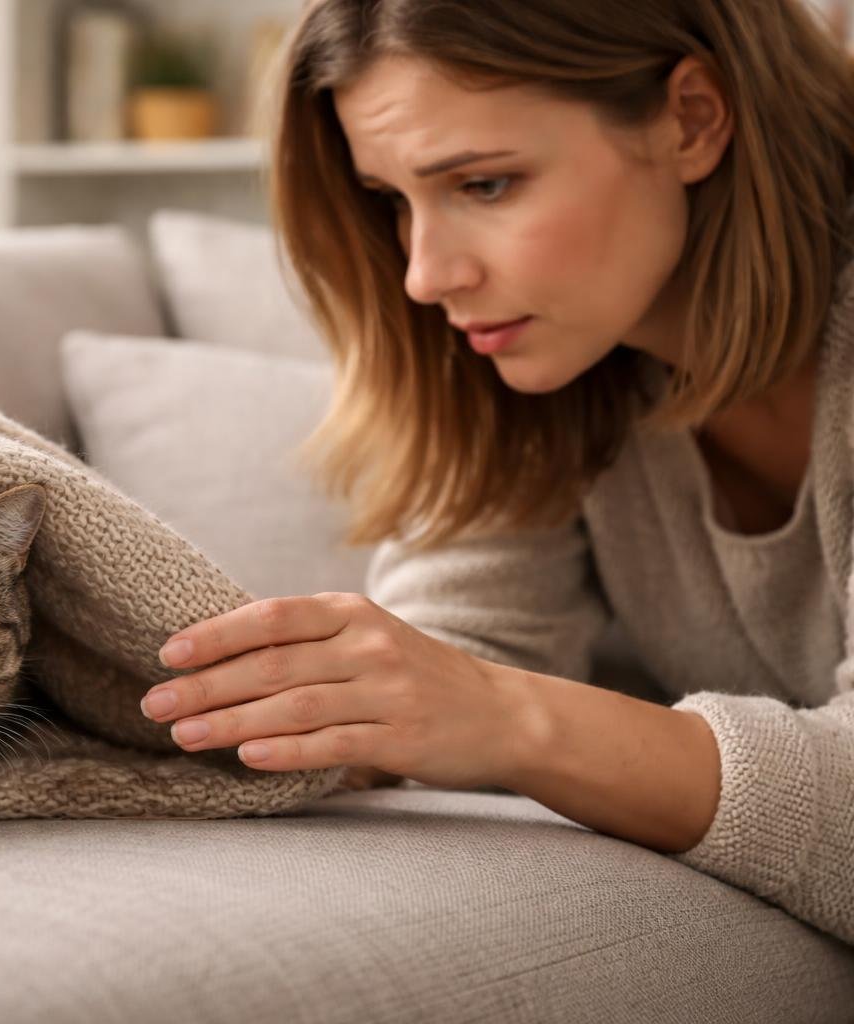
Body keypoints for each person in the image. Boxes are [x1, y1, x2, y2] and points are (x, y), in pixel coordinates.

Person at [136, 0, 854, 947]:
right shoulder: (557, 361)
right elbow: (464, 645)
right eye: (392, 200)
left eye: (483, 184)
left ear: (693, 119)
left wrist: (511, 720)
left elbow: (480, 695)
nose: (423, 276)